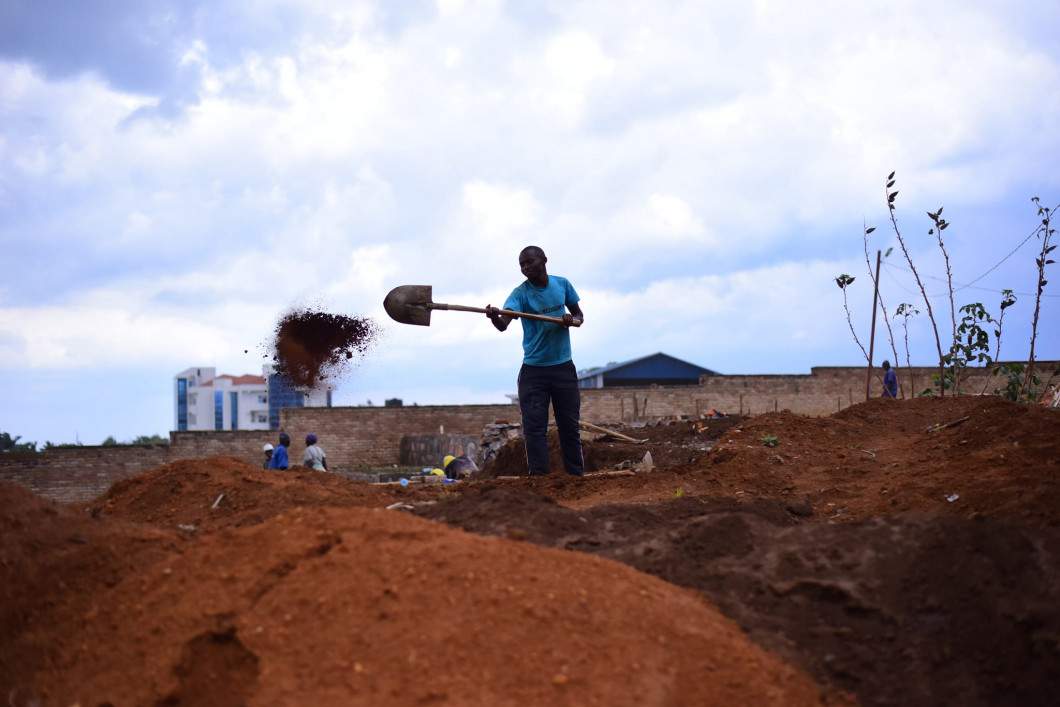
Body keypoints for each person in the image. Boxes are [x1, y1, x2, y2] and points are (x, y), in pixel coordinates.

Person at [485, 245, 584, 476]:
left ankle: (576, 477)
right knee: (534, 429)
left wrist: (572, 320)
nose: (525, 268)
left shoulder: (562, 285)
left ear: (544, 261)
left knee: (569, 427)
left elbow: (580, 316)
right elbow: (503, 325)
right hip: (534, 372)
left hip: (563, 369)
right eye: (521, 265)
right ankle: (539, 479)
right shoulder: (520, 294)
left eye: (529, 262)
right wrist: (494, 317)